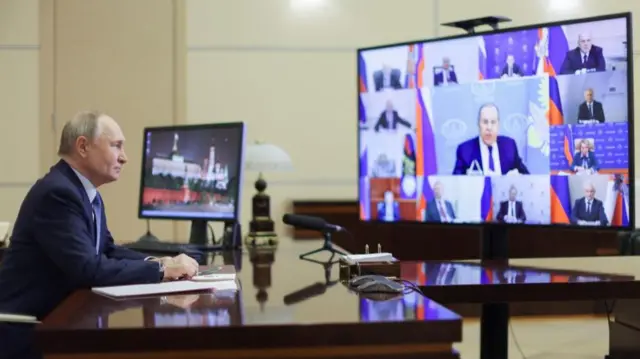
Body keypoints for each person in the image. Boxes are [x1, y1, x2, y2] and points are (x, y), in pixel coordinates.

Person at [0, 111, 199, 321]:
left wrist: (161, 261)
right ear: (83, 146)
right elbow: (88, 269)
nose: (124, 157)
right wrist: (160, 270)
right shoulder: (57, 193)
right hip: (28, 327)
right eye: (116, 145)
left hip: (60, 319)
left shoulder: (85, 193)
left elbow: (107, 250)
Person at [453, 103, 529, 175]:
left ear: (498, 125)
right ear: (479, 124)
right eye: (485, 122)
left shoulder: (509, 146)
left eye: (493, 122)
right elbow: (455, 183)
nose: (489, 127)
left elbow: (527, 178)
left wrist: (517, 178)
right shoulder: (465, 150)